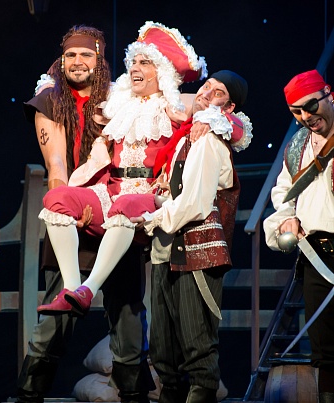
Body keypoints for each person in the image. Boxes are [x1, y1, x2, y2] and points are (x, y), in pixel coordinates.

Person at [17, 25, 157, 403]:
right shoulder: (49, 100)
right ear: (61, 60)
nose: (78, 61)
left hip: (115, 211)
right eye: (71, 55)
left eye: (86, 55)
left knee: (127, 311)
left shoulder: (120, 98)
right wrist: (68, 202)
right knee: (59, 311)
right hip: (71, 214)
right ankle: (29, 395)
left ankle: (133, 395)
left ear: (100, 59)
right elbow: (56, 163)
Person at [36, 21, 208, 320]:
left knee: (125, 207)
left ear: (162, 72)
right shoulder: (119, 104)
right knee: (57, 199)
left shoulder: (176, 105)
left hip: (149, 193)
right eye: (133, 62)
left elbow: (224, 110)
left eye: (144, 63)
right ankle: (72, 289)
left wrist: (207, 119)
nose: (134, 68)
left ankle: (88, 289)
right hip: (112, 189)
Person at [132, 70, 250, 402]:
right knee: (164, 352)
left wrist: (153, 218)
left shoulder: (208, 140)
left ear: (228, 108)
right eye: (206, 86)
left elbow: (196, 203)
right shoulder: (186, 137)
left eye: (218, 92)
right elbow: (177, 194)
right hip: (167, 251)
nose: (206, 93)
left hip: (198, 252)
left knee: (197, 347)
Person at [264, 69, 334, 402]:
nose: (306, 117)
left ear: (328, 94)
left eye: (310, 106)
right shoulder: (297, 146)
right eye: (297, 112)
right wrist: (288, 219)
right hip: (317, 255)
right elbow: (284, 193)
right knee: (325, 350)